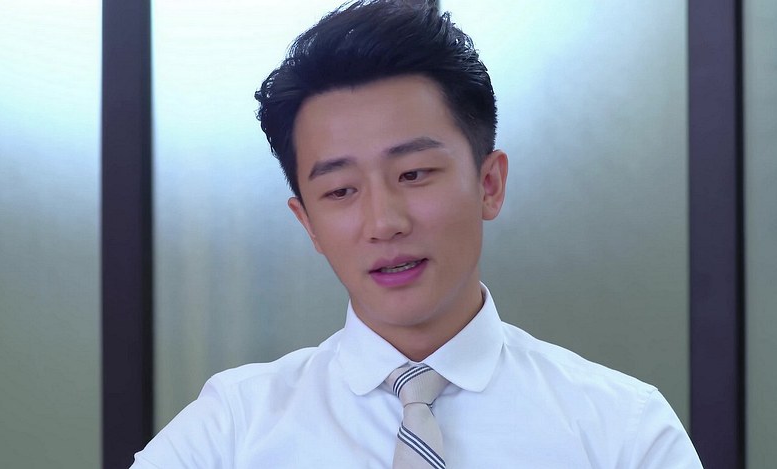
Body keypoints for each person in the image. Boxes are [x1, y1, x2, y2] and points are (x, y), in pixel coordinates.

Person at [132, 1, 703, 467]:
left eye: (414, 174)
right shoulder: (231, 429)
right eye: (340, 190)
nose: (384, 222)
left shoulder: (623, 431)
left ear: (489, 184)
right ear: (307, 224)